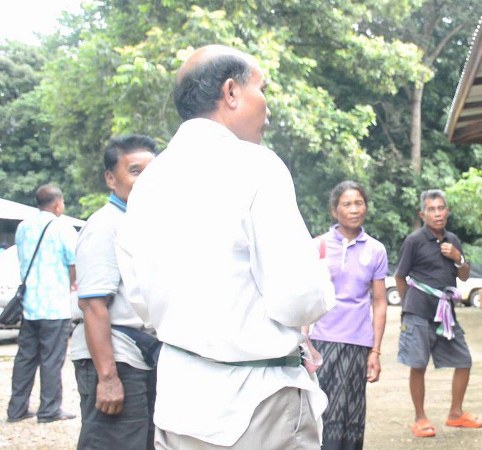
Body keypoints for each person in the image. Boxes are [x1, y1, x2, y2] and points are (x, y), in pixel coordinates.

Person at [116, 45, 335, 448]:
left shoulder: (148, 183)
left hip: (180, 400)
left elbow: (140, 301)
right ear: (231, 92)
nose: (267, 108)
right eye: (261, 89)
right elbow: (299, 297)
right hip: (257, 404)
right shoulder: (256, 165)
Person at [70, 135, 157, 449]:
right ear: (110, 178)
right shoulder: (104, 226)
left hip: (141, 357)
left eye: (152, 171)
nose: (146, 180)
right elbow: (93, 306)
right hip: (116, 359)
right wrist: (107, 378)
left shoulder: (142, 223)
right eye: (135, 171)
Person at [395, 189, 482, 438]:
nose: (437, 214)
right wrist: (408, 307)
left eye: (441, 208)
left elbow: (463, 276)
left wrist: (458, 257)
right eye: (431, 209)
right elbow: (400, 277)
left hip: (446, 314)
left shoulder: (453, 240)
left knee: (464, 361)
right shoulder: (414, 241)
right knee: (418, 364)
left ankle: (456, 414)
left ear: (448, 211)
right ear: (422, 214)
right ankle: (420, 418)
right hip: (418, 312)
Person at [307, 180, 389, 450]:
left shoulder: (375, 250)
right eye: (347, 204)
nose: (354, 209)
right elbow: (307, 298)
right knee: (321, 409)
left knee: (352, 413)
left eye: (359, 203)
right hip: (322, 342)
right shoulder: (318, 246)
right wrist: (303, 342)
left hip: (358, 343)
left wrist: (375, 351)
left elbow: (379, 302)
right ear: (335, 210)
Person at [7, 184, 78, 424]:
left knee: (25, 358)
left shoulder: (23, 227)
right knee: (52, 359)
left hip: (29, 305)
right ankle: (49, 410)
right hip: (55, 306)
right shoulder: (63, 227)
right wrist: (72, 285)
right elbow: (73, 263)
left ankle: (16, 409)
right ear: (57, 204)